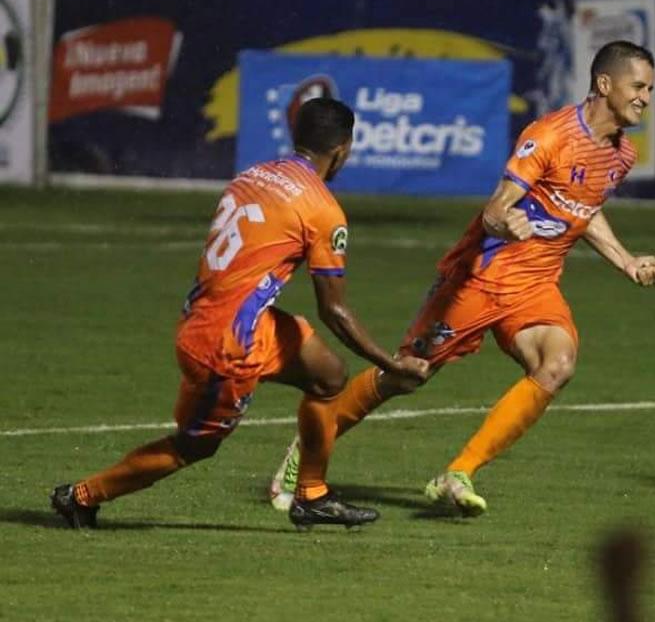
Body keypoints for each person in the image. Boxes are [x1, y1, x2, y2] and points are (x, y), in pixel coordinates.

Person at [268, 40, 655, 517]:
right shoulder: (551, 136)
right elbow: (496, 210)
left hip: (535, 286)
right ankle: (306, 451)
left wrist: (625, 260)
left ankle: (459, 472)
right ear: (605, 84)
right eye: (638, 86)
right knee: (407, 374)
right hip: (480, 278)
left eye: (650, 89)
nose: (645, 97)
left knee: (557, 364)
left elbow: (584, 208)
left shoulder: (619, 155)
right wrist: (508, 222)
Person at [51, 97, 428, 530]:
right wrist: (391, 364)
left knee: (328, 376)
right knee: (194, 446)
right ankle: (81, 495)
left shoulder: (254, 175)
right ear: (343, 148)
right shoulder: (323, 210)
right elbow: (335, 310)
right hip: (226, 344)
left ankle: (312, 495)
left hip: (231, 320)